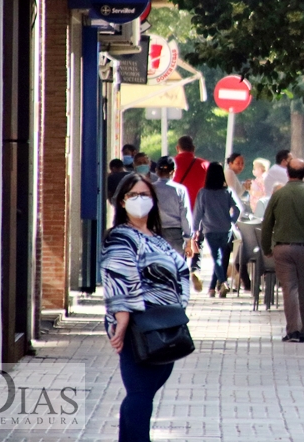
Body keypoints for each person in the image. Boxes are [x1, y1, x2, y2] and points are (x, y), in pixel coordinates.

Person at [100, 173, 190, 442]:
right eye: (133, 195)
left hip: (166, 323)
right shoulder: (120, 237)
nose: (140, 200)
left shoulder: (156, 237)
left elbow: (181, 270)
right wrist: (123, 317)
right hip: (139, 326)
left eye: (145, 195)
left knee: (143, 394)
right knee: (139, 393)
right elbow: (119, 275)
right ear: (122, 202)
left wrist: (178, 307)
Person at [261, 158, 304, 342]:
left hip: (282, 250)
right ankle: (302, 330)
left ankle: (293, 330)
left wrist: (266, 248)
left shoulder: (278, 195)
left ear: (288, 173)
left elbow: (267, 224)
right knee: (303, 291)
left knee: (289, 289)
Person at [191, 163, 243, 298]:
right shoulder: (228, 191)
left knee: (216, 257)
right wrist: (232, 221)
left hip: (209, 229)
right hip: (226, 229)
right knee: (218, 257)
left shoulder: (203, 193)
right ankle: (213, 289)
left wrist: (195, 229)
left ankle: (223, 283)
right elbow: (238, 209)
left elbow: (198, 213)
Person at [152, 157, 193, 259]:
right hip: (175, 235)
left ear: (156, 171)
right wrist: (188, 240)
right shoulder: (180, 190)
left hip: (155, 232)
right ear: (173, 171)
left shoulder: (150, 189)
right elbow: (185, 215)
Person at [173, 136, 209, 209]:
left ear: (177, 148)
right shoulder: (205, 165)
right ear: (193, 148)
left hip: (176, 208)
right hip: (199, 210)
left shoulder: (171, 164)